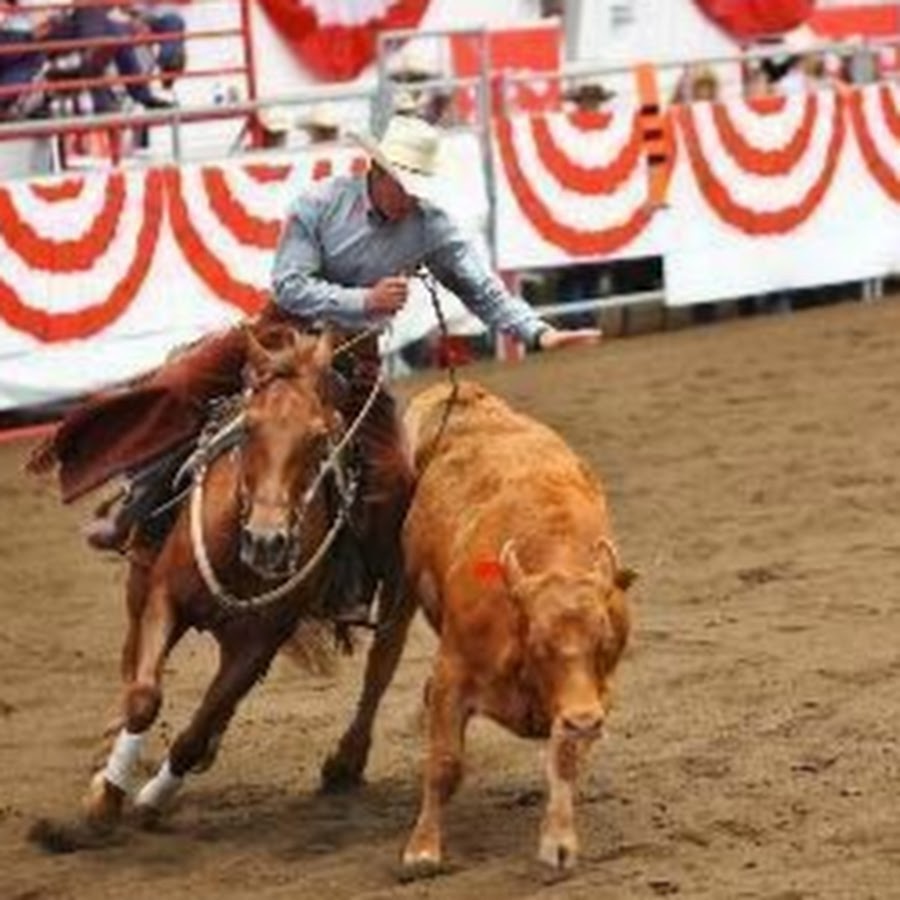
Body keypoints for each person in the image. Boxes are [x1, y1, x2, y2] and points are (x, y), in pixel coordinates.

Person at [31, 115, 600, 624]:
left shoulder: (430, 227)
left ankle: (354, 585)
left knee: (394, 474)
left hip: (351, 359)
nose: (409, 197)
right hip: (277, 337)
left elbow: (481, 288)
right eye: (402, 182)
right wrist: (364, 302)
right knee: (177, 386)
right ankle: (135, 511)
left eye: (415, 186)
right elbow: (290, 284)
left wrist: (540, 331)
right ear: (374, 169)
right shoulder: (319, 204)